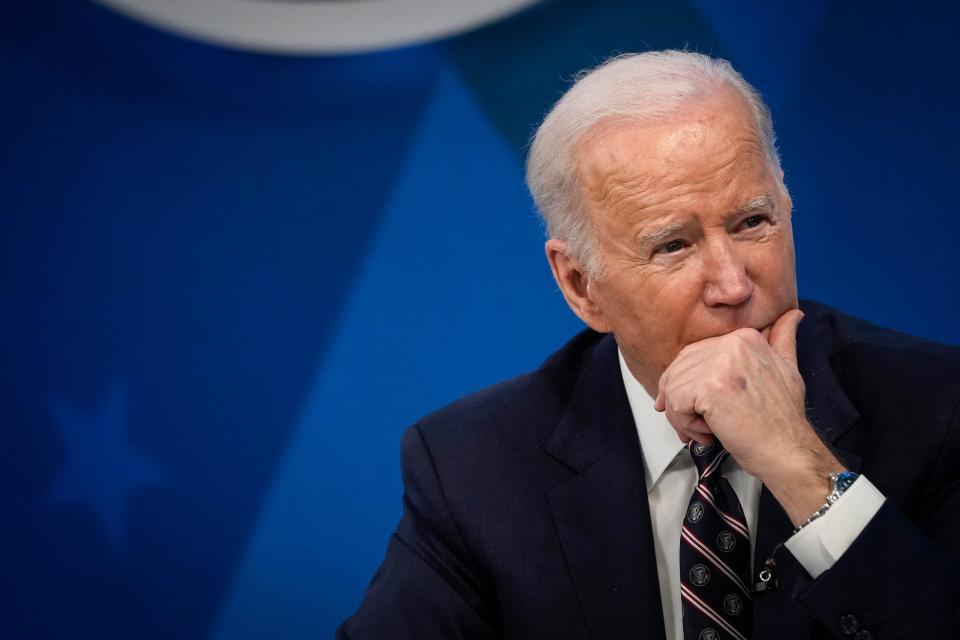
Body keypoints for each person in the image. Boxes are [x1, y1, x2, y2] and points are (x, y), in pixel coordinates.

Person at [337, 51, 960, 639]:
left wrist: (804, 471)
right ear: (582, 287)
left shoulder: (936, 409)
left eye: (752, 223)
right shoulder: (475, 469)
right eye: (673, 246)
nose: (733, 283)